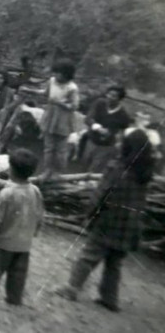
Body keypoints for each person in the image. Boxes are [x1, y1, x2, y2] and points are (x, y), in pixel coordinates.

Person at [55, 129, 160, 312]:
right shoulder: (145, 172)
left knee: (88, 255)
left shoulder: (116, 168)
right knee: (114, 262)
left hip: (109, 220)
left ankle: (71, 288)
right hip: (130, 225)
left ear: (127, 147)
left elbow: (101, 194)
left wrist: (89, 213)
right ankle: (109, 298)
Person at [0, 148, 44, 306]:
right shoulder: (35, 191)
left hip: (4, 242)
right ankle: (14, 297)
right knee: (18, 273)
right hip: (24, 243)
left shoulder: (6, 194)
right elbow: (40, 214)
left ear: (11, 169)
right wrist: (36, 230)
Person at [20, 59, 80, 180]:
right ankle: (47, 171)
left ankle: (58, 172)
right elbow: (46, 93)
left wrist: (59, 103)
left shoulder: (72, 88)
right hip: (50, 116)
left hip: (63, 119)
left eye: (59, 73)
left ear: (67, 74)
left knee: (60, 150)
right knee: (49, 148)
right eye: (55, 72)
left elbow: (74, 106)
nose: (56, 75)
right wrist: (31, 91)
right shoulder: (52, 81)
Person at [82, 86, 132, 173]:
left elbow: (123, 131)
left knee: (95, 168)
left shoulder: (123, 115)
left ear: (119, 99)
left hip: (106, 145)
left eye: (113, 96)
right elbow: (88, 118)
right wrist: (97, 127)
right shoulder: (99, 103)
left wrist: (118, 142)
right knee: (85, 163)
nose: (109, 97)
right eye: (109, 94)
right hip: (91, 140)